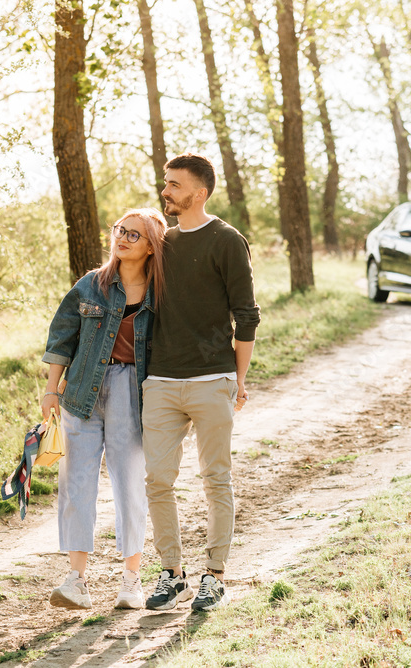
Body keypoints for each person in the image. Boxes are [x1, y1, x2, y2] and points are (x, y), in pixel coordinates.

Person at [142, 153, 260, 612]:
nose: (166, 191)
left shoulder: (227, 240)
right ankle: (172, 574)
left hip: (213, 377)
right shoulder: (161, 242)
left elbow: (246, 315)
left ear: (199, 193)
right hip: (161, 380)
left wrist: (237, 379)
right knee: (157, 481)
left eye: (174, 185)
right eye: (165, 183)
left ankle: (214, 575)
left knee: (216, 479)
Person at [41, 208, 168, 610]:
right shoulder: (91, 286)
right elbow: (62, 338)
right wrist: (50, 391)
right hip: (81, 392)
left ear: (151, 247)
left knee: (130, 484)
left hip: (133, 393)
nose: (123, 238)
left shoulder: (161, 292)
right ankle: (76, 580)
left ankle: (132, 580)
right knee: (76, 484)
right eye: (119, 230)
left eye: (135, 234)